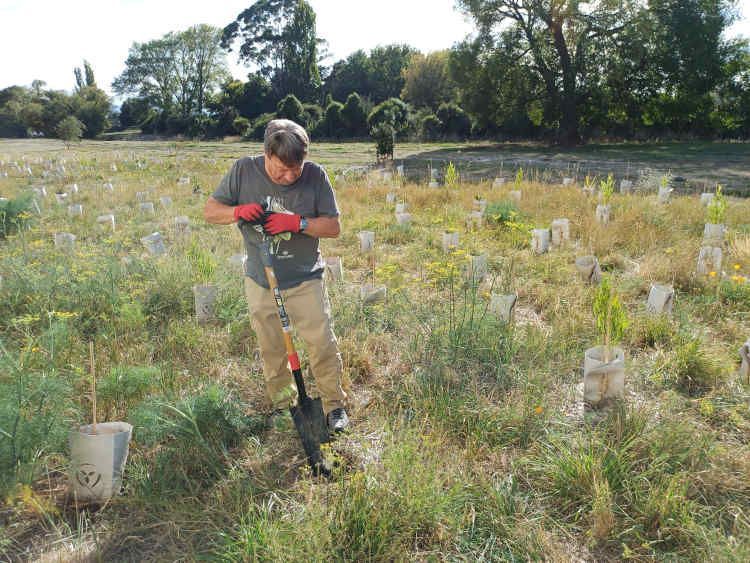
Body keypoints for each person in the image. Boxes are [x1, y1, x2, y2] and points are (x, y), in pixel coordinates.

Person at [203, 119, 349, 433]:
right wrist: (237, 212)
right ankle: (286, 405)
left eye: (295, 170)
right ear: (266, 154)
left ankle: (333, 405)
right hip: (261, 281)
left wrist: (296, 223)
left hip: (304, 278)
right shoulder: (243, 171)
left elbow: (333, 227)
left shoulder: (315, 176)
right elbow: (210, 210)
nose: (288, 177)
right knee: (271, 347)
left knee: (321, 342)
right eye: (281, 169)